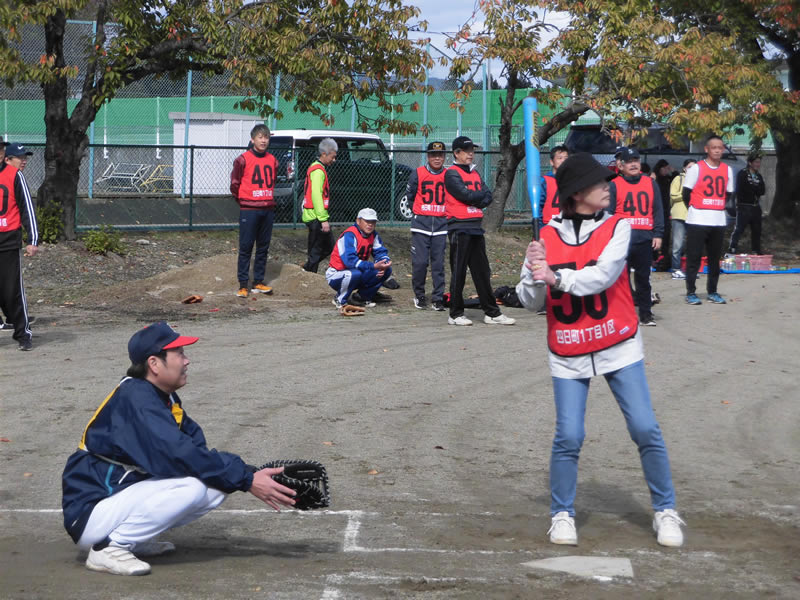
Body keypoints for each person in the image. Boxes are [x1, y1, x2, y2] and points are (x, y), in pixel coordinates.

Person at [515, 152, 685, 548]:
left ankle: (665, 509)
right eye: (598, 183)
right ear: (576, 194)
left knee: (644, 427)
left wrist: (556, 276)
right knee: (569, 436)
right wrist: (534, 271)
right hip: (569, 350)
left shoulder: (618, 227)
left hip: (617, 343)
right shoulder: (545, 239)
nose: (607, 186)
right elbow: (529, 301)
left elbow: (603, 275)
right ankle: (562, 514)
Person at [61, 322, 297, 576]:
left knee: (217, 484)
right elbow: (180, 453)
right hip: (91, 511)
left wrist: (250, 473)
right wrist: (247, 479)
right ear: (154, 364)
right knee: (193, 487)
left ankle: (133, 539)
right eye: (180, 354)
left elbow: (195, 449)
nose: (187, 361)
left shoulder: (161, 395)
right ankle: (108, 547)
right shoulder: (137, 398)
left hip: (116, 499)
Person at [444, 136, 514, 326]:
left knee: (482, 272)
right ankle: (455, 313)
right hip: (459, 227)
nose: (471, 153)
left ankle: (491, 312)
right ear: (456, 153)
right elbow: (465, 195)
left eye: (472, 150)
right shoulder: (451, 173)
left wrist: (475, 197)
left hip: (475, 228)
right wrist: (476, 197)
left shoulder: (474, 173)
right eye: (466, 151)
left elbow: (488, 196)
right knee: (459, 272)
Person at [607, 148, 664, 326]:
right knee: (620, 279)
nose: (633, 164)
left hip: (644, 237)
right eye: (629, 161)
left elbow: (658, 210)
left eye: (636, 161)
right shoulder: (614, 184)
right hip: (622, 239)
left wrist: (658, 234)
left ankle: (646, 314)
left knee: (643, 278)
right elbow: (608, 214)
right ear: (621, 165)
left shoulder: (650, 183)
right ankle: (622, 315)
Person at [682, 135, 734, 305]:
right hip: (697, 219)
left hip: (718, 220)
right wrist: (696, 207)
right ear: (707, 149)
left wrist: (716, 206)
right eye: (714, 147)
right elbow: (686, 193)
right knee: (694, 258)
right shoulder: (696, 168)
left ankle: (713, 291)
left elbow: (729, 194)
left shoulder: (727, 169)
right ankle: (691, 292)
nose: (718, 150)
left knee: (714, 259)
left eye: (720, 147)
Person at [230, 124, 277, 298]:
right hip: (249, 209)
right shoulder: (242, 159)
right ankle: (243, 284)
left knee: (263, 247)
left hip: (267, 208)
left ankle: (258, 281)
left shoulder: (273, 159)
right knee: (246, 247)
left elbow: (273, 181)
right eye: (260, 137)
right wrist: (242, 200)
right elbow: (235, 183)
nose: (264, 140)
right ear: (252, 139)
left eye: (266, 137)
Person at [0, 141, 38, 351]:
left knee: (11, 291)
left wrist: (32, 240)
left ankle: (23, 334)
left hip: (8, 242)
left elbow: (27, 209)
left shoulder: (15, 176)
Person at [408, 141, 448, 311]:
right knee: (420, 263)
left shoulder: (449, 174)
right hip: (421, 225)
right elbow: (410, 196)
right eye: (433, 155)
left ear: (445, 156)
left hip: (441, 225)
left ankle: (438, 297)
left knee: (438, 264)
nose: (437, 158)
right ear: (427, 156)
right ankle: (419, 295)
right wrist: (418, 213)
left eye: (440, 155)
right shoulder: (417, 173)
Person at [326, 207, 392, 310]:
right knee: (354, 273)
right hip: (337, 273)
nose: (370, 224)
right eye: (367, 221)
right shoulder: (350, 235)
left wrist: (384, 264)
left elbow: (380, 252)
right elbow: (350, 262)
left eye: (373, 222)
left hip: (357, 271)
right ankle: (339, 299)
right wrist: (373, 265)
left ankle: (361, 297)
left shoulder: (373, 235)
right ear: (358, 221)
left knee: (386, 270)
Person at [302, 138, 337, 273]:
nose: (334, 160)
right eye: (332, 157)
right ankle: (309, 273)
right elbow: (317, 195)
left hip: (316, 216)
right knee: (316, 250)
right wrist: (323, 219)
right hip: (315, 217)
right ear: (324, 154)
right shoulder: (318, 171)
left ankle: (308, 268)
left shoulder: (318, 168)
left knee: (328, 247)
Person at [728, 154, 766, 255]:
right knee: (739, 228)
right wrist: (754, 188)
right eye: (756, 162)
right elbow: (743, 189)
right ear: (750, 163)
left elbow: (762, 190)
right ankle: (732, 248)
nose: (758, 164)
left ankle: (756, 250)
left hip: (755, 206)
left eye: (759, 162)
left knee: (757, 230)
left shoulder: (759, 176)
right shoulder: (743, 173)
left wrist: (754, 188)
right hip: (744, 206)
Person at [668, 159, 695, 279]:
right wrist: (687, 194)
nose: (692, 170)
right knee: (677, 244)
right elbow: (673, 195)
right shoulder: (678, 179)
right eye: (689, 167)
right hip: (679, 214)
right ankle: (676, 268)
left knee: (691, 244)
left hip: (693, 215)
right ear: (684, 168)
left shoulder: (697, 180)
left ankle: (689, 269)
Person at [652, 159, 676, 271]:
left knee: (666, 235)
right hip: (656, 210)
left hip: (666, 211)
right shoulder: (654, 179)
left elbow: (675, 178)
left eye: (667, 168)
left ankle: (663, 258)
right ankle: (653, 258)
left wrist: (673, 171)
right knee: (655, 235)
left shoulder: (667, 179)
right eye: (664, 168)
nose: (666, 170)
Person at [541, 145, 569, 226]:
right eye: (559, 158)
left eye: (566, 158)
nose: (563, 161)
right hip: (548, 224)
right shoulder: (545, 181)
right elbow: (539, 206)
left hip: (567, 225)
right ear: (551, 162)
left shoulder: (573, 180)